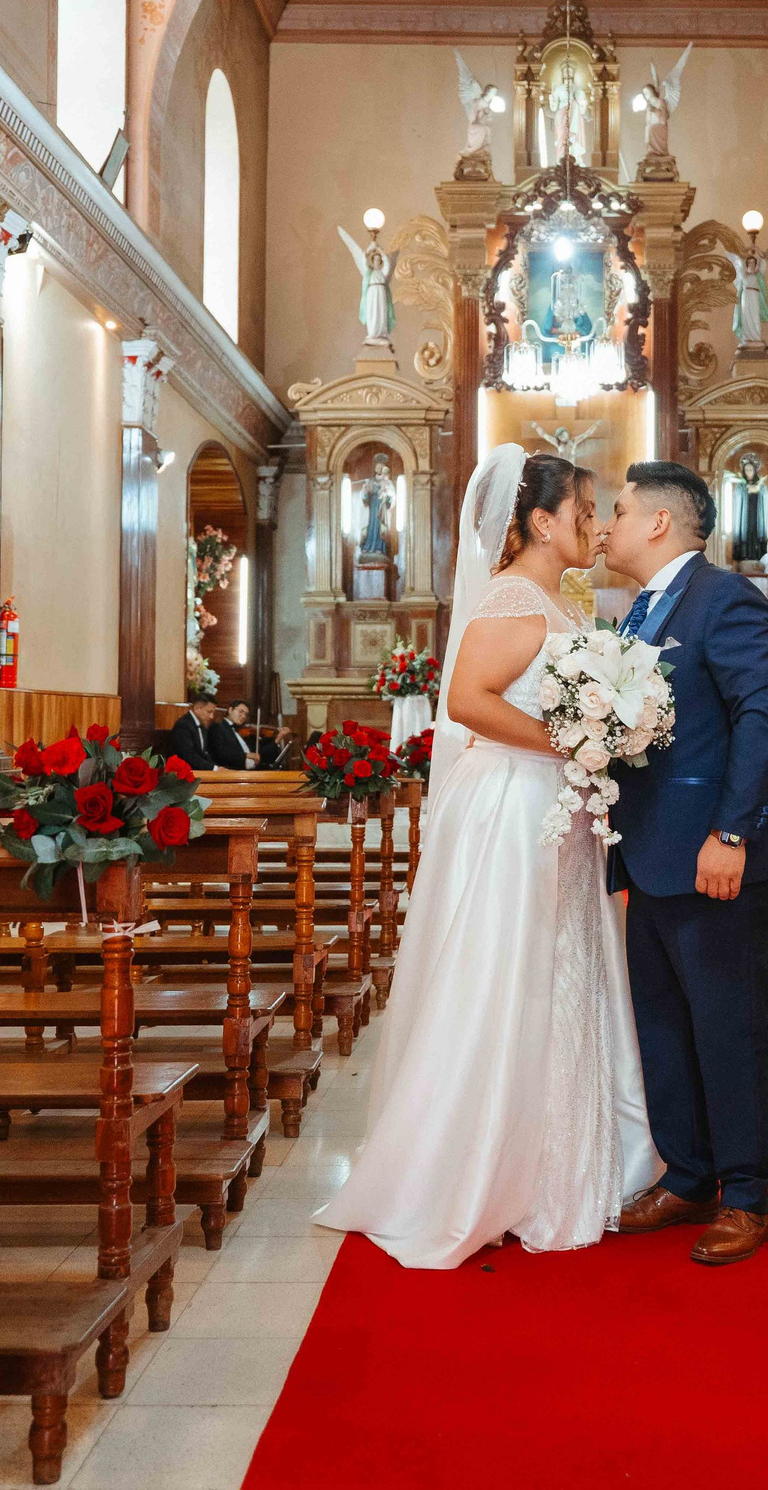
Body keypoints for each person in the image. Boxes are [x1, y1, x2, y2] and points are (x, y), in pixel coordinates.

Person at [315, 448, 657, 1267]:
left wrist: (593, 743)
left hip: (553, 807)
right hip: (514, 807)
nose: (594, 522)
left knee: (559, 973)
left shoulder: (558, 597)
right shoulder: (511, 594)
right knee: (508, 975)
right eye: (582, 507)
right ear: (541, 520)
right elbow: (468, 702)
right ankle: (479, 1168)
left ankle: (558, 1157)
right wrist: (569, 745)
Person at [597, 460, 768, 1265]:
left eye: (618, 510)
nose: (606, 525)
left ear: (659, 522)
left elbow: (763, 717)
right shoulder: (640, 613)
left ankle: (747, 1194)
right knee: (662, 1023)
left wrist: (731, 832)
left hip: (722, 858)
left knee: (726, 1026)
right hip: (652, 856)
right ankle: (686, 1173)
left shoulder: (725, 599)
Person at [170, 697, 220, 770]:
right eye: (209, 712)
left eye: (213, 713)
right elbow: (188, 755)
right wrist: (214, 768)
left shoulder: (202, 725)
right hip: (183, 773)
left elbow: (203, 754)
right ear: (197, 709)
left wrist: (217, 767)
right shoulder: (183, 725)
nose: (211, 716)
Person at [206, 701, 253, 771]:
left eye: (246, 714)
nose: (243, 716)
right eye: (241, 711)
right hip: (229, 772)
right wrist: (246, 755)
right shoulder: (218, 727)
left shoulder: (236, 730)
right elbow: (221, 753)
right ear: (230, 710)